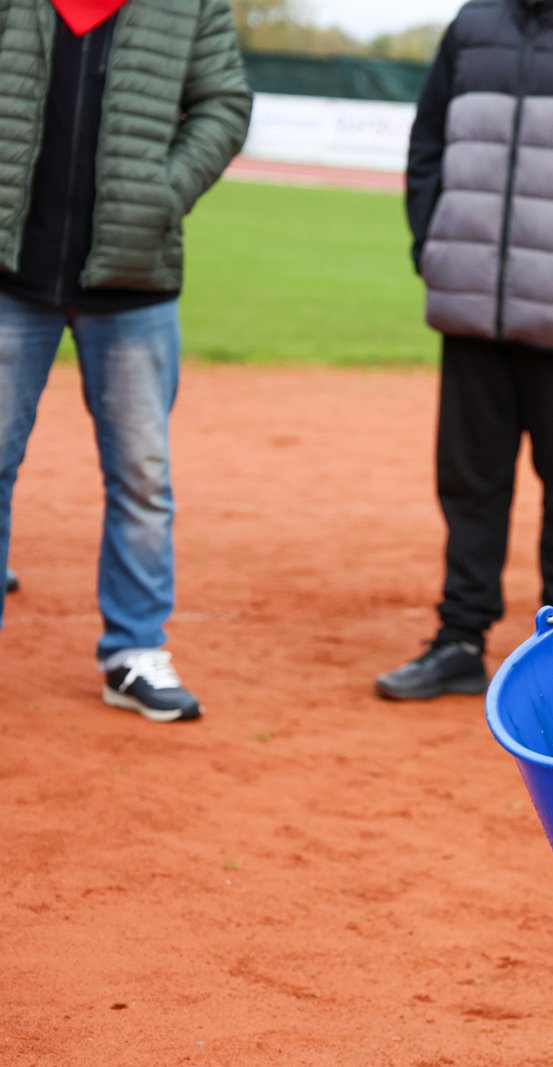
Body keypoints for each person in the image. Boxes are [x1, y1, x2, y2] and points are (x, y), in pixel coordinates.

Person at [376, 0, 553, 701]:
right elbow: (427, 144)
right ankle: (459, 639)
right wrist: (434, 244)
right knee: (469, 482)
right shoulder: (473, 24)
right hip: (469, 302)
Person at [0, 0, 251, 723]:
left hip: (134, 280)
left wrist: (162, 195)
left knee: (142, 477)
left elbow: (225, 103)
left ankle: (133, 650)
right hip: (10, 272)